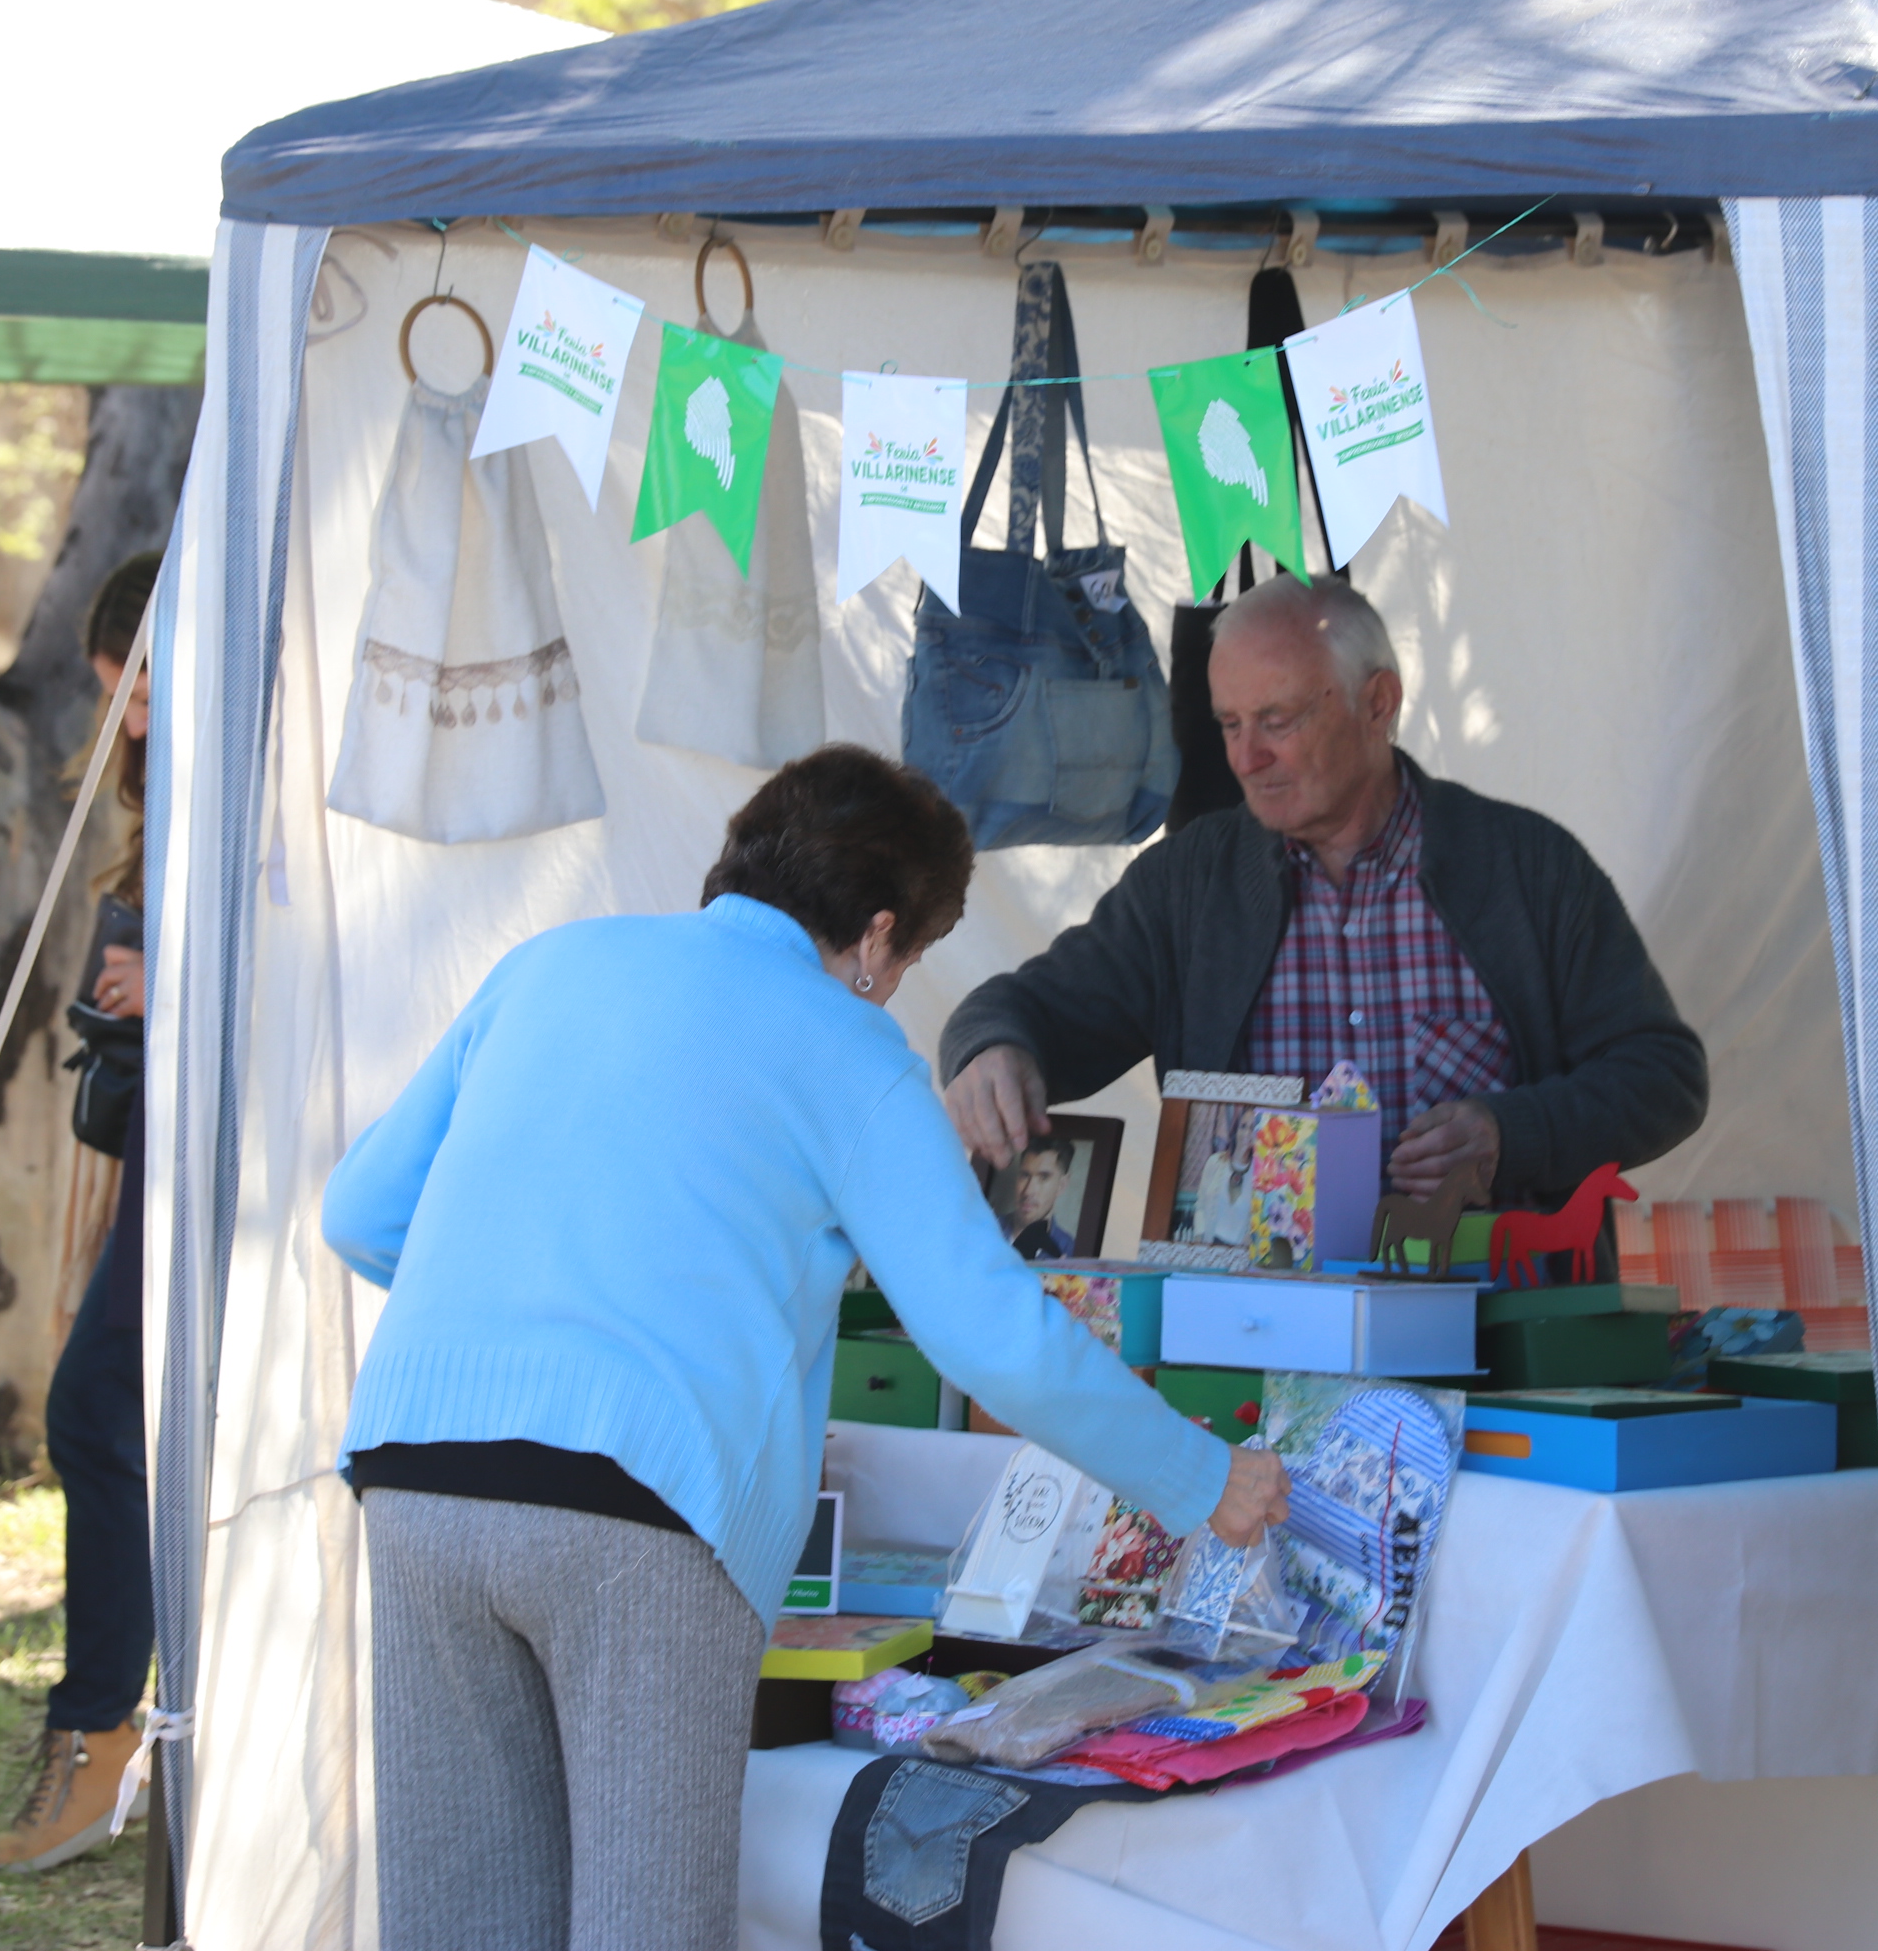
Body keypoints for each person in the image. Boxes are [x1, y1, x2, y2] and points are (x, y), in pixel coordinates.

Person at [321, 744, 1290, 1951]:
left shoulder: (549, 963)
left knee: (458, 1924)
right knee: (644, 1925)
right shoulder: (850, 1048)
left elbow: (358, 1211)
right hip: (642, 1499)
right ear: (878, 936)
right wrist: (1202, 1476)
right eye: (912, 957)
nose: (894, 986)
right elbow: (990, 1331)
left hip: (416, 1465)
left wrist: (522, 1313)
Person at [941, 574, 1707, 1251]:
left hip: (1496, 1327)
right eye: (1230, 724)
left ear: (1378, 704)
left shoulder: (1529, 868)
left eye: (1277, 720)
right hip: (1256, 1332)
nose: (1246, 758)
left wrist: (1512, 1133)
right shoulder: (1187, 886)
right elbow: (1035, 1009)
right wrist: (992, 1047)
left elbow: (1664, 1076)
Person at [0, 552, 162, 1872]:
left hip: (224, 1160)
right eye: (117, 693)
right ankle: (101, 1734)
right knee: (105, 1413)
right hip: (160, 1143)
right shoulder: (174, 785)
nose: (128, 718)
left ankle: (99, 1735)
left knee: (99, 1411)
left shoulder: (250, 773)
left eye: (140, 687)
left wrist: (171, 975)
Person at [1002, 1131, 1074, 1259]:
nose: (1028, 1191)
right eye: (1025, 1175)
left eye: (1043, 1177)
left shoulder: (1069, 1249)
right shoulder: (985, 1227)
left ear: (1062, 1185)